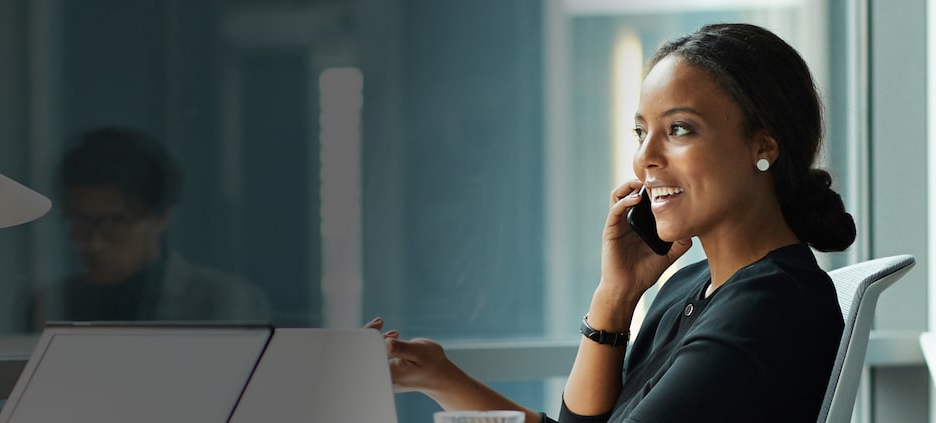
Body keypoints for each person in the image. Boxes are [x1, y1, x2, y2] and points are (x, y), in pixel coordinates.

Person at [365, 23, 856, 422]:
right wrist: (615, 297)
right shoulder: (690, 287)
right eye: (641, 131)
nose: (645, 159)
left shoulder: (772, 305)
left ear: (763, 145)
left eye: (679, 129)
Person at [28, 127, 271, 329]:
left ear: (161, 217)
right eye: (80, 222)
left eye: (115, 222)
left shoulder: (223, 301)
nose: (93, 242)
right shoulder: (50, 304)